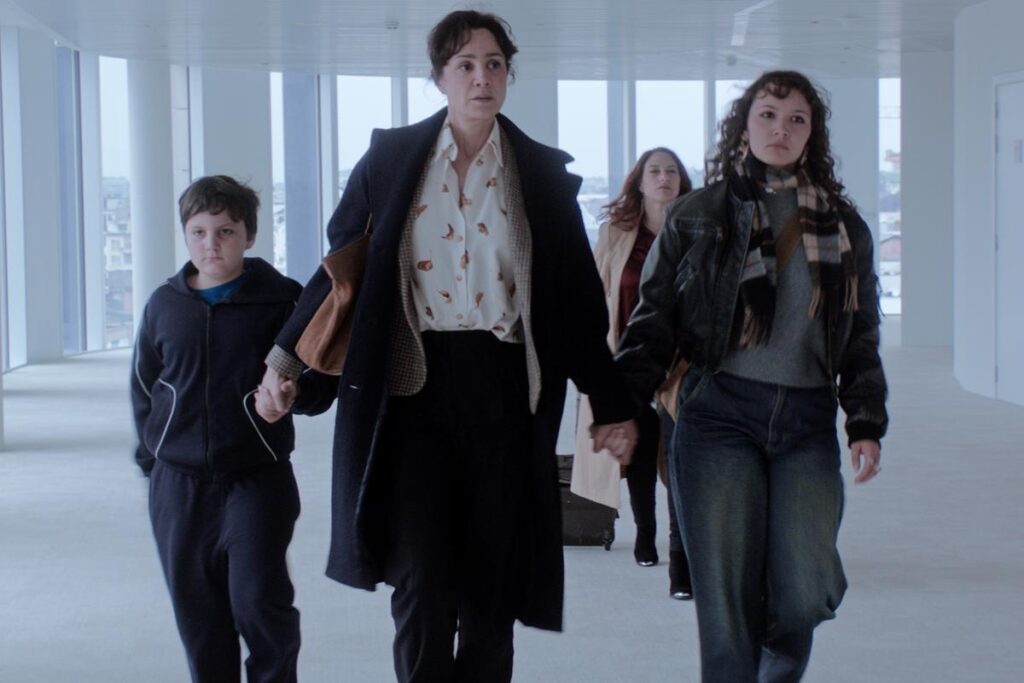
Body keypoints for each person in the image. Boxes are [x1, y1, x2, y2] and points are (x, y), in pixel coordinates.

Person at [256, 10, 637, 683]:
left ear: (508, 75)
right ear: (439, 77)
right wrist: (283, 363)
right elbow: (339, 272)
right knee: (421, 577)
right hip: (413, 390)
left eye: (494, 64)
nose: (481, 78)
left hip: (504, 392)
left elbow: (577, 300)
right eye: (465, 65)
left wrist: (610, 403)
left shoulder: (539, 175)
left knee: (492, 584)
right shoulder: (391, 161)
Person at [614, 71, 889, 682]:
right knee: (726, 601)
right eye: (767, 114)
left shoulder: (844, 226)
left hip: (806, 419)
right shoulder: (698, 214)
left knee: (804, 589)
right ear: (743, 126)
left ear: (812, 135)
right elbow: (652, 318)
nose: (780, 129)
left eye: (796, 119)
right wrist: (623, 407)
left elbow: (862, 332)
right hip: (719, 414)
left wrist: (865, 420)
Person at [130, 175, 336, 683]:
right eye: (198, 232)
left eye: (225, 232)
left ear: (249, 236)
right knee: (200, 620)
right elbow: (144, 387)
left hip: (257, 477)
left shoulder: (284, 301)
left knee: (259, 601)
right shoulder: (163, 305)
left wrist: (293, 396)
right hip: (179, 487)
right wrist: (154, 464)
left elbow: (322, 379)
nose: (211, 245)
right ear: (185, 235)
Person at [573, 147, 694, 599]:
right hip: (629, 359)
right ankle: (645, 532)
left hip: (682, 364)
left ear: (682, 181)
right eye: (654, 171)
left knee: (681, 459)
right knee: (639, 451)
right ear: (639, 183)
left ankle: (681, 557)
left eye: (671, 171)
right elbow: (595, 291)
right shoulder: (616, 232)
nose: (664, 177)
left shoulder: (698, 230)